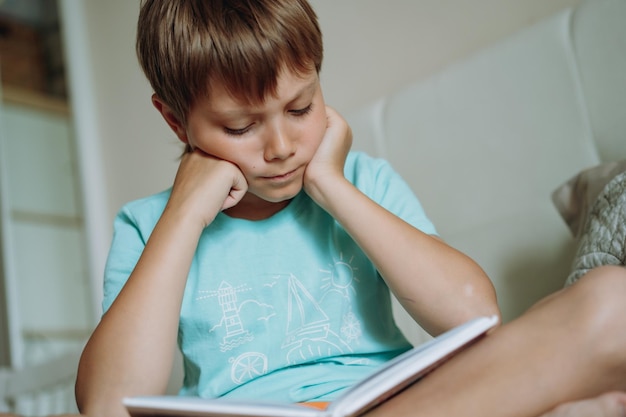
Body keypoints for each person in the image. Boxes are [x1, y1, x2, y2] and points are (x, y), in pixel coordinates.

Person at [74, 1, 626, 417]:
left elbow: (475, 314)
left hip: (401, 406)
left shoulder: (363, 182)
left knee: (611, 298)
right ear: (176, 121)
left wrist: (332, 186)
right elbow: (106, 404)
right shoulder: (149, 227)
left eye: (301, 107)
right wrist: (185, 215)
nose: (281, 146)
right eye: (240, 127)